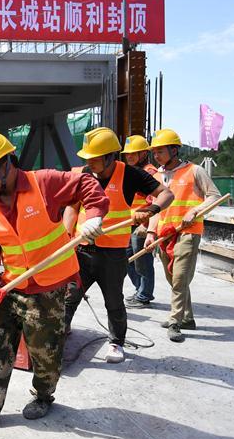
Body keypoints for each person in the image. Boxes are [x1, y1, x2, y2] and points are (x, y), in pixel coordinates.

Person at [0, 131, 109, 425]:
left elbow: (85, 182)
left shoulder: (43, 183)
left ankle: (43, 395)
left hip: (49, 286)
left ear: (6, 163)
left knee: (44, 350)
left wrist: (95, 214)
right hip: (10, 286)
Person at [62, 128, 173, 363]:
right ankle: (61, 330)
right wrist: (67, 235)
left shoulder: (131, 175)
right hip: (82, 248)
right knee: (70, 295)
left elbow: (166, 194)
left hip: (112, 253)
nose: (89, 162)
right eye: (88, 157)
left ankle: (116, 343)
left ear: (111, 156)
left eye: (95, 158)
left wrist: (150, 209)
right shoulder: (84, 174)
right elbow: (72, 207)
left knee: (113, 300)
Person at [149, 128, 221, 343]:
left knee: (180, 278)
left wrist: (195, 211)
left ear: (174, 150)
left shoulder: (195, 171)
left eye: (161, 151)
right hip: (165, 233)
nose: (157, 155)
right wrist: (151, 232)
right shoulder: (157, 176)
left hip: (188, 231)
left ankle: (175, 321)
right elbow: (155, 207)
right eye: (155, 151)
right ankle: (187, 318)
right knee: (172, 277)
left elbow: (214, 197)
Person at [120, 135, 163, 308]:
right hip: (130, 223)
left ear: (144, 154)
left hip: (143, 223)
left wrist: (146, 223)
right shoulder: (130, 172)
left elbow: (154, 201)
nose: (129, 157)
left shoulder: (150, 172)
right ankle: (140, 290)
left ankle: (144, 294)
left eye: (133, 154)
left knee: (142, 260)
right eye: (127, 154)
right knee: (128, 258)